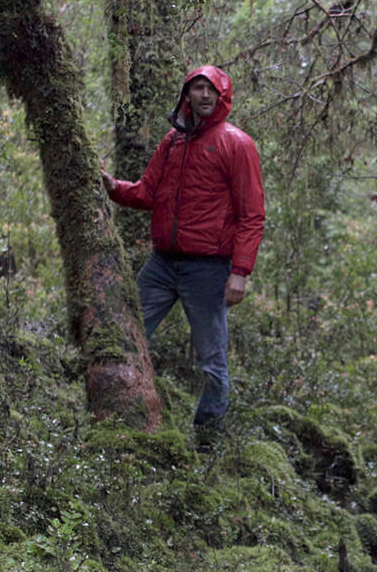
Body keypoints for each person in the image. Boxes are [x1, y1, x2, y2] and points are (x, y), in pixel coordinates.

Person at [100, 65, 265, 441]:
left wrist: (240, 272)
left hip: (208, 269)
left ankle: (207, 441)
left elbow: (252, 215)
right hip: (162, 264)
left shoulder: (237, 144)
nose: (204, 95)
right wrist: (114, 188)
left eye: (211, 90)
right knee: (125, 335)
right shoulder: (173, 141)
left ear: (222, 97)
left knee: (212, 362)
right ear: (187, 95)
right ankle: (120, 421)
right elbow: (147, 192)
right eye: (198, 88)